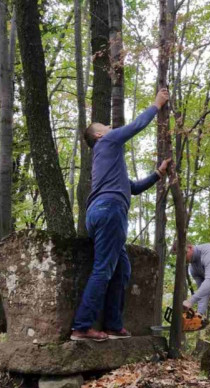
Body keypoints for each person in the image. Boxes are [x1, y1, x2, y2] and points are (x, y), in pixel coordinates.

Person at [71, 88, 171, 342]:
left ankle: (114, 324)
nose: (109, 126)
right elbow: (136, 125)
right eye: (105, 125)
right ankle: (82, 327)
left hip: (103, 213)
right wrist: (156, 105)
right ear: (98, 134)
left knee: (122, 269)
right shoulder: (107, 141)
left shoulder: (109, 164)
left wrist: (158, 174)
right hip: (109, 210)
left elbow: (133, 188)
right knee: (103, 269)